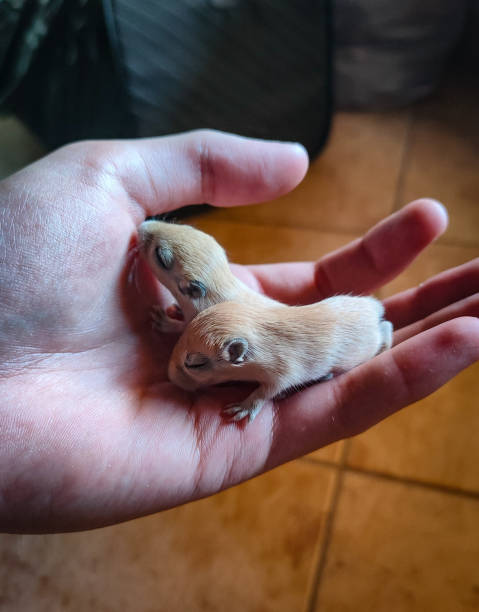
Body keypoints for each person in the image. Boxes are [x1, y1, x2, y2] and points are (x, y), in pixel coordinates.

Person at [0, 130, 477, 533]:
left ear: (191, 286)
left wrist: (250, 394)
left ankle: (377, 337)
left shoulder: (225, 322)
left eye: (163, 260)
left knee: (360, 347)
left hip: (342, 334)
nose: (143, 234)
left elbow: (259, 355)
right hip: (301, 324)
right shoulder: (208, 311)